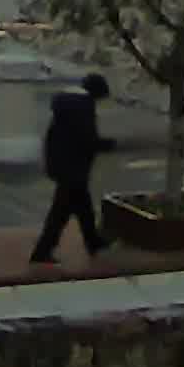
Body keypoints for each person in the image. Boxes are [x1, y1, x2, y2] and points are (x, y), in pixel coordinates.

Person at [29, 71, 113, 265]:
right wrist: (108, 145)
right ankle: (42, 252)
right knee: (60, 213)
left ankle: (93, 242)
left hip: (63, 165)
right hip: (72, 169)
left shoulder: (69, 104)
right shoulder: (83, 107)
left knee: (84, 209)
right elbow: (87, 138)